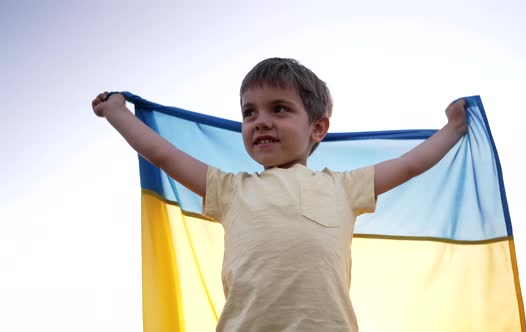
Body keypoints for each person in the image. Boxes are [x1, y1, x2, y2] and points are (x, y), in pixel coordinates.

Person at [92, 57, 467, 331]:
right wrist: (118, 114)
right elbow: (162, 153)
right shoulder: (230, 189)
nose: (261, 121)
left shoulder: (343, 187)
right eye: (249, 113)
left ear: (317, 128)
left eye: (280, 109)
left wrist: (451, 130)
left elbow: (409, 165)